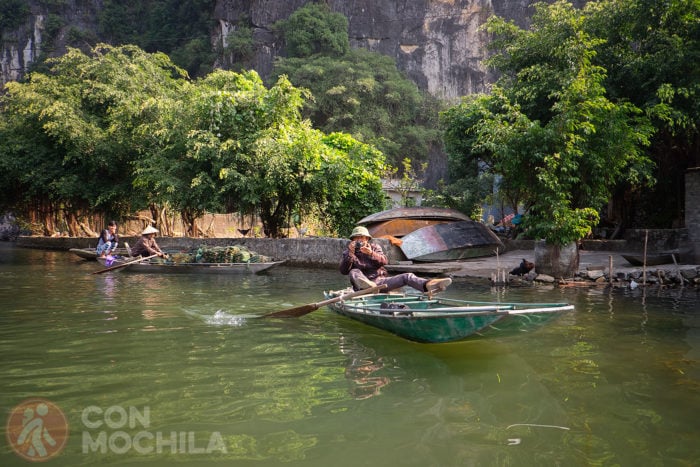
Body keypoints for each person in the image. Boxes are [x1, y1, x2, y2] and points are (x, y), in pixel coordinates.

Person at [339, 226, 451, 294]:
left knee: (407, 276)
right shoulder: (349, 252)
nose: (360, 240)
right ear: (352, 240)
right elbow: (344, 271)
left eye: (362, 238)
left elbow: (384, 261)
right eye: (357, 238)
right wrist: (350, 253)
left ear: (367, 239)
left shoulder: (375, 248)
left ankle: (428, 285)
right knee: (354, 271)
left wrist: (371, 253)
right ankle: (368, 286)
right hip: (362, 286)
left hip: (380, 282)